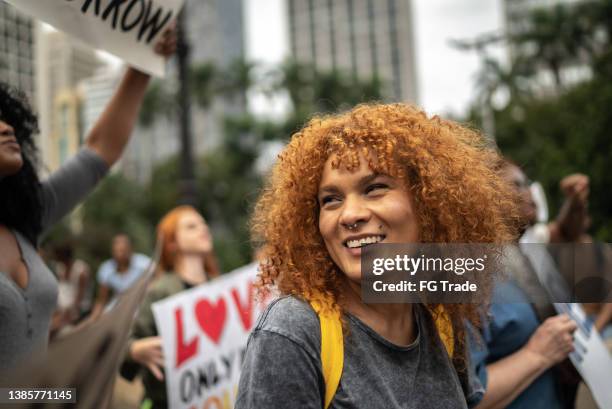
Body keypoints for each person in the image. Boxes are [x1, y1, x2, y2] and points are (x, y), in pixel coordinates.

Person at [236, 103, 521, 409]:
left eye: (374, 189)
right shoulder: (294, 331)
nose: (350, 215)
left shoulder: (440, 318)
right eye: (331, 200)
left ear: (428, 203)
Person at [0, 27, 177, 372]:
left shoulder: (26, 218)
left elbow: (99, 151)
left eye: (8, 120)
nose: (6, 128)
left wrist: (141, 64)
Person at [469, 160, 585, 409]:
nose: (530, 193)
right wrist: (538, 354)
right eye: (517, 185)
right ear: (485, 194)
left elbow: (566, 231)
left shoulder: (528, 249)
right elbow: (463, 396)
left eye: (528, 184)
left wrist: (576, 202)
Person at [120, 205, 220, 409]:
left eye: (203, 223)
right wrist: (134, 350)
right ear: (172, 243)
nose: (204, 228)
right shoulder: (158, 291)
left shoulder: (221, 289)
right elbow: (125, 343)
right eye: (192, 226)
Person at [89, 234, 151, 320]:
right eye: (117, 251)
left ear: (130, 250)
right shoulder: (106, 269)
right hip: (118, 306)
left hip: (140, 304)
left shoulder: (144, 264)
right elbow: (102, 299)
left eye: (123, 251)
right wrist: (93, 318)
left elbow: (155, 285)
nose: (120, 255)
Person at [50, 241, 92, 335]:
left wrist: (65, 316)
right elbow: (62, 291)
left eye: (58, 257)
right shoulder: (60, 268)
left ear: (64, 257)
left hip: (80, 311)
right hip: (63, 311)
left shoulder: (81, 271)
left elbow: (79, 299)